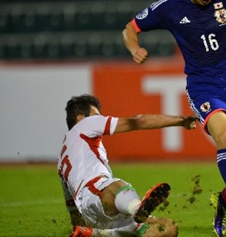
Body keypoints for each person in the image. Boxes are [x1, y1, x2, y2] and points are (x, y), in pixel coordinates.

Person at [122, 0, 226, 237]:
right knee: (224, 137)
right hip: (204, 86)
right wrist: (134, 48)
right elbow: (130, 28)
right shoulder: (170, 8)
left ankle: (223, 201)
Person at [57, 94, 198, 237]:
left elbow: (72, 208)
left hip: (97, 211)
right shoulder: (85, 125)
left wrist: (77, 227)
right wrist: (181, 121)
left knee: (168, 227)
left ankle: (97, 234)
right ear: (80, 118)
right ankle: (137, 209)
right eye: (96, 115)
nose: (100, 118)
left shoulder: (62, 160)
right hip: (98, 192)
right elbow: (138, 121)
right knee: (117, 185)